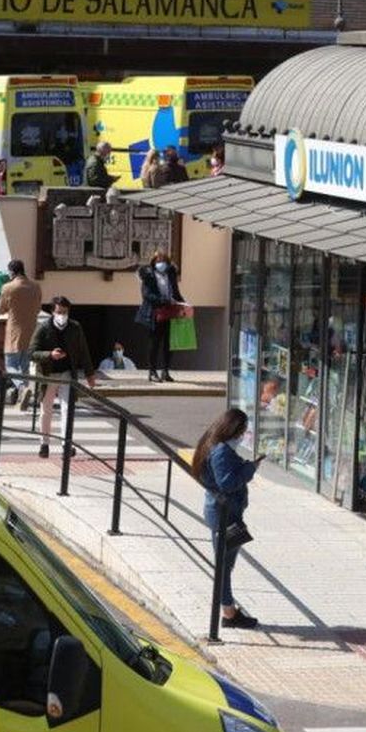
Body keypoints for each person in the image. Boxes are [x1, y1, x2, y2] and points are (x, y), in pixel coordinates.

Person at [191, 408, 261, 629]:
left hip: (225, 513)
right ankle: (228, 613)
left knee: (225, 565)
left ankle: (228, 611)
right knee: (223, 566)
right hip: (224, 515)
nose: (242, 435)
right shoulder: (221, 450)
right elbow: (227, 483)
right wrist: (250, 468)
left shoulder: (213, 443)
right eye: (242, 431)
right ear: (233, 429)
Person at [29, 296, 95, 458]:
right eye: (59, 312)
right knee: (46, 410)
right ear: (53, 311)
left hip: (67, 373)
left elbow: (83, 351)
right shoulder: (43, 328)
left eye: (65, 312)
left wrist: (89, 374)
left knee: (67, 409)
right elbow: (32, 353)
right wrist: (50, 355)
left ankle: (66, 444)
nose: (62, 315)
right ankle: (44, 444)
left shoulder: (75, 328)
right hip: (48, 374)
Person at [0, 259, 42, 405]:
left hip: (14, 332)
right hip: (31, 331)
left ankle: (22, 388)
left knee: (11, 365)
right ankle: (24, 396)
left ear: (12, 272)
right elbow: (38, 308)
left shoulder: (8, 287)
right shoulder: (36, 286)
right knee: (25, 366)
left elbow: (0, 308)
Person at [136, 249, 185, 382]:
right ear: (154, 261)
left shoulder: (170, 274)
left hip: (170, 311)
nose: (161, 262)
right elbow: (147, 295)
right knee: (155, 342)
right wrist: (165, 301)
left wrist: (183, 304)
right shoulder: (148, 274)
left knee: (169, 343)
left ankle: (165, 371)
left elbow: (175, 292)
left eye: (163, 260)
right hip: (154, 312)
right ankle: (152, 372)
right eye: (158, 260)